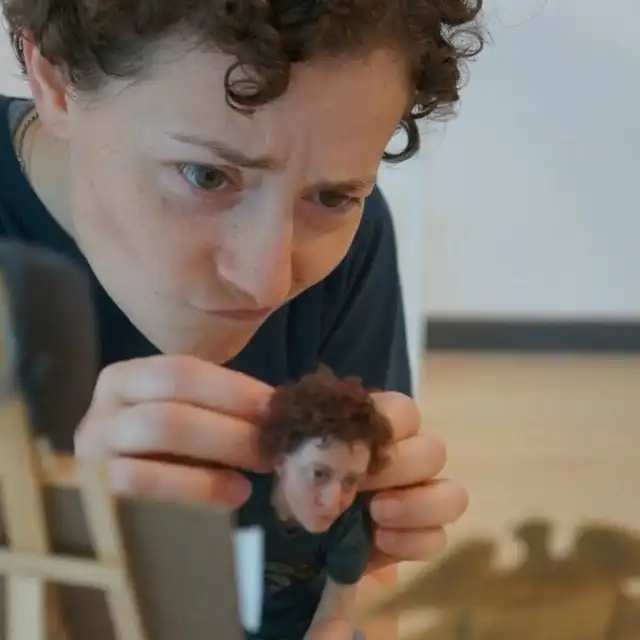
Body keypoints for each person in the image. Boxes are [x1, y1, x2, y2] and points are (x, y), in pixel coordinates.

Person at [0, 0, 484, 637]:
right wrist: (53, 542)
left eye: (332, 196)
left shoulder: (357, 242)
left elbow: (348, 589)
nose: (268, 281)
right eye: (207, 176)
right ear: (56, 80)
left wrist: (364, 571)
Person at [240, 366, 395, 639]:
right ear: (281, 461)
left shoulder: (348, 526)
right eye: (319, 474)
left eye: (350, 481)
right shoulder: (239, 500)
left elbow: (334, 616)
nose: (333, 501)